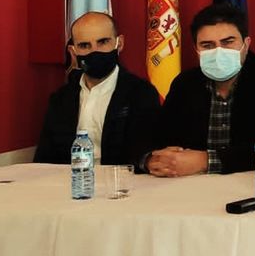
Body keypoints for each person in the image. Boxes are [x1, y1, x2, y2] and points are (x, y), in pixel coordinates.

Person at [146, 4, 255, 176]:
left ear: (246, 44)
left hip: (253, 185)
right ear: (196, 49)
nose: (218, 51)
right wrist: (153, 160)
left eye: (228, 42)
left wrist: (206, 160)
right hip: (192, 187)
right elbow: (161, 138)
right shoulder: (185, 83)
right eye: (207, 45)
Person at [34, 11, 160, 169]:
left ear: (119, 43)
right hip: (69, 184)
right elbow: (44, 159)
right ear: (73, 52)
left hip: (121, 184)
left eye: (103, 42)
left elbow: (143, 155)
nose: (95, 51)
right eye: (84, 45)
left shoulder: (141, 93)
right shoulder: (61, 99)